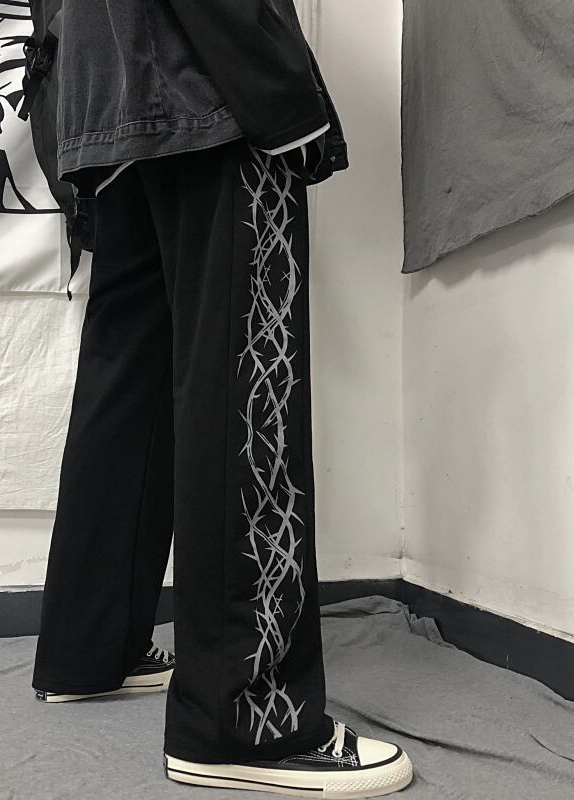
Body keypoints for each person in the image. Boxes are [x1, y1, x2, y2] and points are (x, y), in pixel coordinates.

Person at [27, 2, 414, 797]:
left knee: (128, 383)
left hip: (100, 94)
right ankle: (246, 719)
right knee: (245, 376)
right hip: (205, 78)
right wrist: (281, 93)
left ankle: (90, 648)